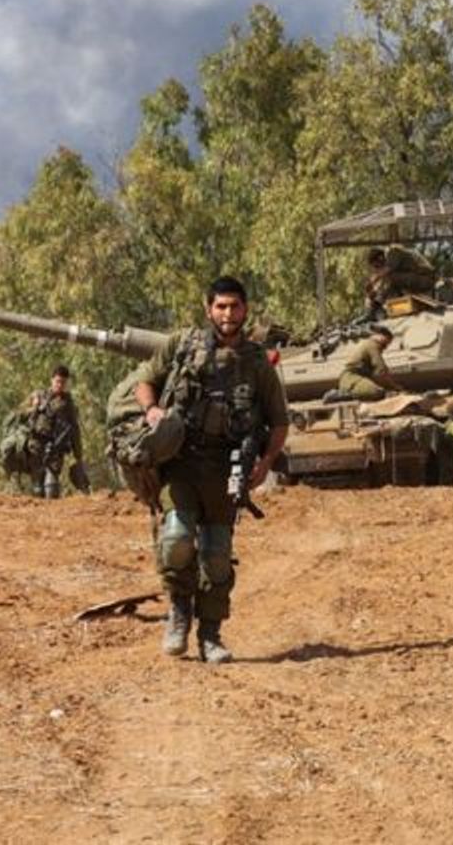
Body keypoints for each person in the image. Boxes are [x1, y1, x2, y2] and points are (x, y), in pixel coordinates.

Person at [134, 276, 288, 664]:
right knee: (176, 539)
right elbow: (145, 382)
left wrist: (265, 464)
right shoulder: (182, 346)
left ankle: (211, 635)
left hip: (226, 468)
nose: (228, 314)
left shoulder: (257, 363)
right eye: (220, 306)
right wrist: (153, 412)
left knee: (217, 555)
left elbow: (279, 421)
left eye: (235, 306)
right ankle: (179, 613)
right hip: (181, 462)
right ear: (208, 309)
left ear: (245, 309)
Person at [11, 365, 86, 498]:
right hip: (36, 446)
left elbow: (75, 430)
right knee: (37, 486)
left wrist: (78, 456)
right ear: (52, 380)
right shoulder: (39, 395)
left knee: (52, 488)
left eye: (63, 382)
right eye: (57, 381)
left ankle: (52, 514)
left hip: (56, 449)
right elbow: (19, 415)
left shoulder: (68, 404)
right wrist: (34, 407)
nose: (60, 385)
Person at [338, 326, 404, 401]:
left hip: (357, 379)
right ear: (381, 336)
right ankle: (340, 395)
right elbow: (381, 370)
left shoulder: (370, 344)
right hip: (352, 379)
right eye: (386, 342)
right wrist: (394, 386)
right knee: (376, 392)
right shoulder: (372, 345)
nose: (386, 347)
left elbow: (378, 373)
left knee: (379, 390)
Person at [365, 245, 437, 312]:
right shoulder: (390, 264)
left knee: (390, 277)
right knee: (389, 284)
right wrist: (373, 294)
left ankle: (378, 304)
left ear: (380, 257)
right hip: (416, 279)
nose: (379, 268)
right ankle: (378, 306)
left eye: (378, 266)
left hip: (425, 278)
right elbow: (383, 281)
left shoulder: (392, 251)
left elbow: (387, 271)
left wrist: (373, 281)